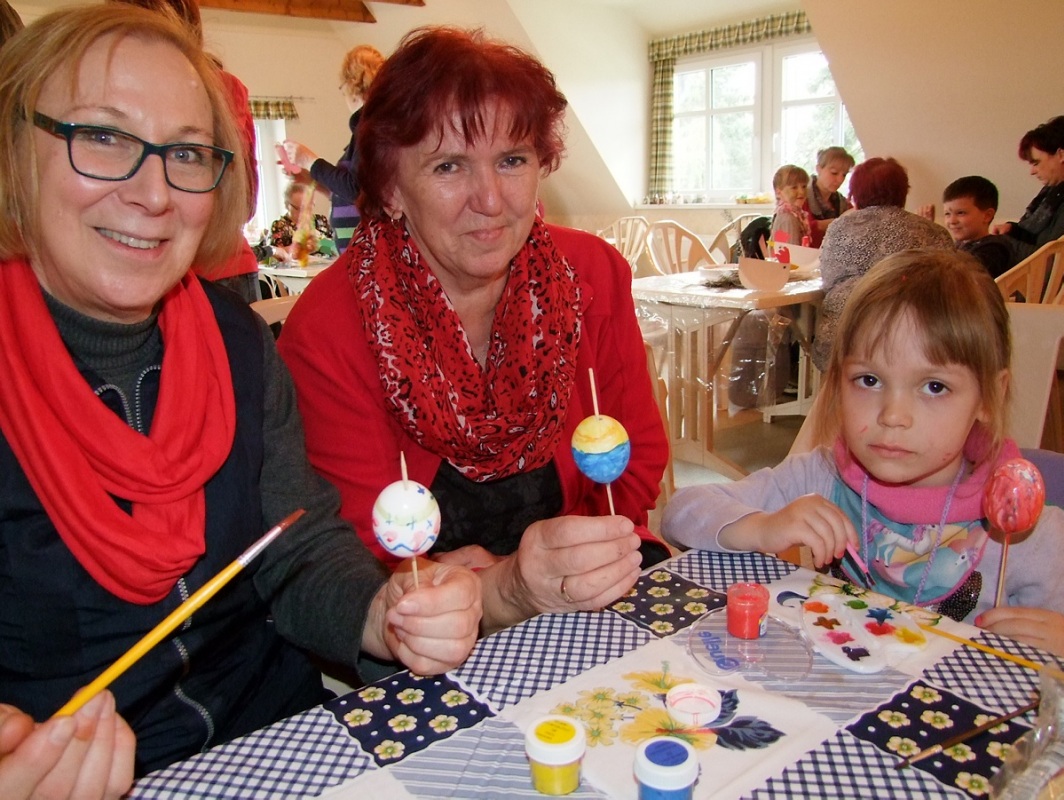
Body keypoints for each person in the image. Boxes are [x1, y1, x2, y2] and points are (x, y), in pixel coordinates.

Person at [0, 7, 480, 796]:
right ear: (19, 148)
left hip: (288, 745)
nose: (154, 194)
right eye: (105, 138)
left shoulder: (240, 342)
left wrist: (379, 611)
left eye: (186, 152)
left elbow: (298, 548)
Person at [278, 26, 669, 641]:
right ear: (389, 187)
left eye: (512, 160)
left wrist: (574, 559)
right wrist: (500, 586)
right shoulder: (330, 326)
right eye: (449, 165)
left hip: (587, 593)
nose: (490, 199)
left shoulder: (591, 276)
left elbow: (636, 460)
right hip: (430, 631)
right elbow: (352, 549)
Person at [663, 249, 1064, 656]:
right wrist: (764, 526)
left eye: (934, 387)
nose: (893, 415)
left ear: (988, 396)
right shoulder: (821, 477)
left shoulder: (1027, 535)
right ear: (838, 383)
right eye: (869, 380)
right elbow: (681, 514)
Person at [107, 0, 261, 303]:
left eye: (185, 156)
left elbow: (242, 200)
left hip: (210, 269)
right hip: (223, 266)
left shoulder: (222, 90)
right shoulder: (226, 88)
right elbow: (244, 202)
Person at [812, 156, 953, 372]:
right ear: (903, 191)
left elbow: (829, 282)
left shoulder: (840, 227)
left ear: (856, 193)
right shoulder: (934, 233)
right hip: (913, 341)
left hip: (844, 339)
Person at [280, 44, 384, 253]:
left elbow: (355, 189)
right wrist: (312, 180)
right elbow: (348, 192)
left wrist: (310, 161)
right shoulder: (366, 131)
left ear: (350, 85)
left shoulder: (370, 130)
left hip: (367, 253)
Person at [992, 116, 1064, 266]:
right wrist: (1012, 230)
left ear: (1061, 155)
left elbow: (1050, 259)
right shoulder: (1051, 194)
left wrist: (1005, 242)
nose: (1032, 171)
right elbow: (1037, 239)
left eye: (1036, 163)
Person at [924, 176, 1012, 279]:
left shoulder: (993, 250)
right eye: (947, 214)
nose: (952, 221)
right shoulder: (961, 244)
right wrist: (929, 228)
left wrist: (932, 236)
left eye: (961, 213)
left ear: (987, 216)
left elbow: (956, 279)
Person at [267, 177, 335, 261]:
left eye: (308, 207)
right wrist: (301, 247)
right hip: (296, 273)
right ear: (287, 205)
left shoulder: (321, 221)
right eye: (298, 208)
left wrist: (321, 244)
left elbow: (336, 249)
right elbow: (273, 256)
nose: (304, 213)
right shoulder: (280, 226)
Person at [804, 146, 855, 248]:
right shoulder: (802, 198)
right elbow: (801, 229)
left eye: (844, 175)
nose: (840, 180)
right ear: (818, 169)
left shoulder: (843, 203)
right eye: (834, 173)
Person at [769, 164, 811, 247]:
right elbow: (792, 255)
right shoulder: (788, 218)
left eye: (804, 186)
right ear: (778, 192)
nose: (801, 192)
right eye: (794, 187)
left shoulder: (795, 214)